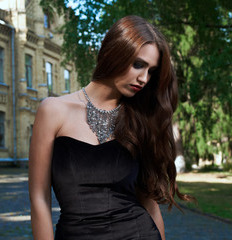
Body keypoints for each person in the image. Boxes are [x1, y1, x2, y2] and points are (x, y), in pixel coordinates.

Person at [29, 15, 192, 240]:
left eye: (151, 71)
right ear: (115, 51)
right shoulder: (52, 111)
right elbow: (39, 199)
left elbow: (150, 205)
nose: (144, 78)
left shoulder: (140, 120)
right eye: (138, 65)